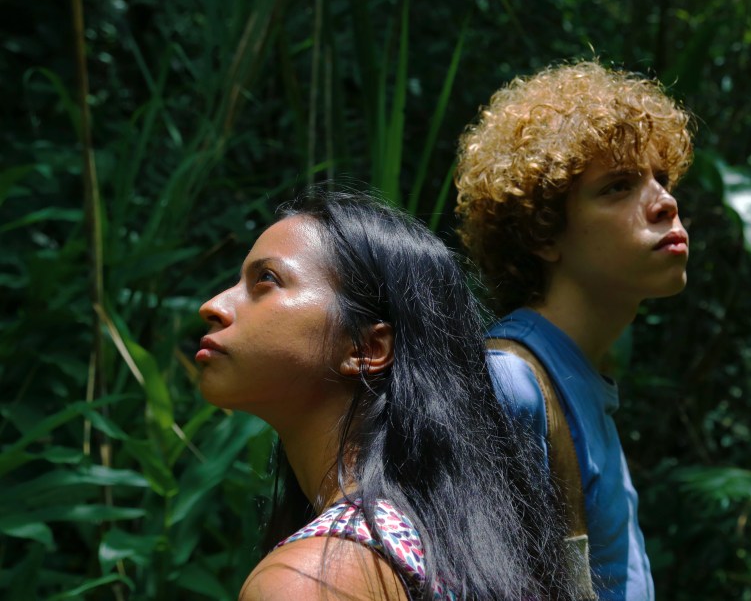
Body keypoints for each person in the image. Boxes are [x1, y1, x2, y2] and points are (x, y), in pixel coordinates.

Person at [196, 189, 575, 600]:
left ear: (364, 349)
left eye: (265, 280)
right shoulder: (451, 543)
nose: (213, 305)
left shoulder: (309, 581)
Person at [454, 60, 694, 600]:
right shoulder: (512, 385)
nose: (665, 203)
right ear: (542, 233)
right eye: (618, 186)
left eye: (662, 178)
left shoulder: (579, 377)